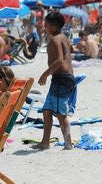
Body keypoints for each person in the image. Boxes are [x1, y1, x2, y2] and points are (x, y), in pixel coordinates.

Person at [32, 12, 75, 150]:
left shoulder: (56, 39)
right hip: (63, 78)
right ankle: (45, 142)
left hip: (61, 79)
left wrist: (45, 74)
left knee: (60, 113)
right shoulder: (63, 37)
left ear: (55, 26)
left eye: (47, 23)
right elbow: (69, 53)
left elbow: (60, 60)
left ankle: (68, 143)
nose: (44, 25)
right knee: (47, 110)